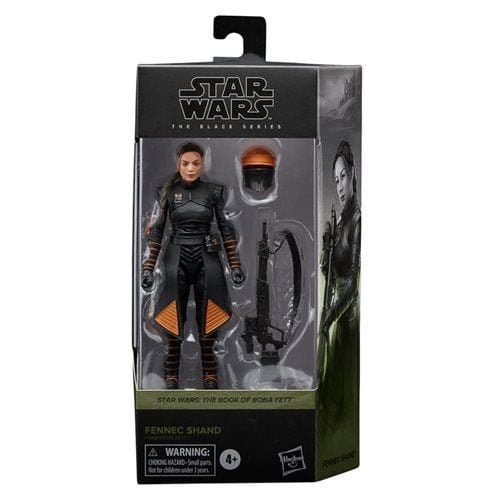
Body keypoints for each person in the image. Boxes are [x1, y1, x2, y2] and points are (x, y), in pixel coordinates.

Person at [141, 142, 245, 389]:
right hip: (175, 256)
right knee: (171, 315)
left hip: (206, 256)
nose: (190, 168)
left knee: (209, 315)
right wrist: (148, 267)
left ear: (202, 164)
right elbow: (157, 230)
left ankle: (210, 375)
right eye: (185, 163)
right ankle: (171, 376)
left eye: (196, 163)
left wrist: (235, 264)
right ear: (178, 164)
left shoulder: (214, 192)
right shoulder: (167, 193)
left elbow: (225, 228)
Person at [320, 140, 361, 421]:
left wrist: (330, 315)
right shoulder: (339, 223)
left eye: (343, 176)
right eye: (335, 180)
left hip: (348, 326)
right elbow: (330, 274)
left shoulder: (357, 220)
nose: (339, 186)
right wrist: (327, 248)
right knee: (329, 400)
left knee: (342, 403)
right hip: (334, 320)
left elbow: (353, 284)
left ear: (353, 173)